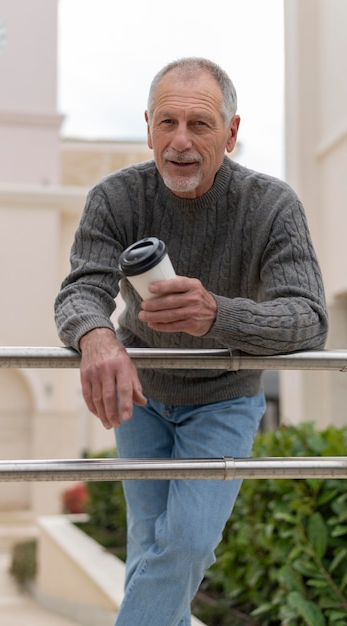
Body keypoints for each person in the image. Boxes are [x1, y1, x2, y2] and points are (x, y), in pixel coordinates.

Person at [55, 57, 328, 626]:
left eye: (200, 125)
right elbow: (80, 292)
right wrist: (97, 335)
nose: (180, 141)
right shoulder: (116, 198)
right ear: (148, 125)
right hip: (142, 397)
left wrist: (216, 315)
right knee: (152, 553)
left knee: (184, 547)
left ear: (231, 132)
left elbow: (309, 318)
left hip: (227, 397)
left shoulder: (271, 205)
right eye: (168, 123)